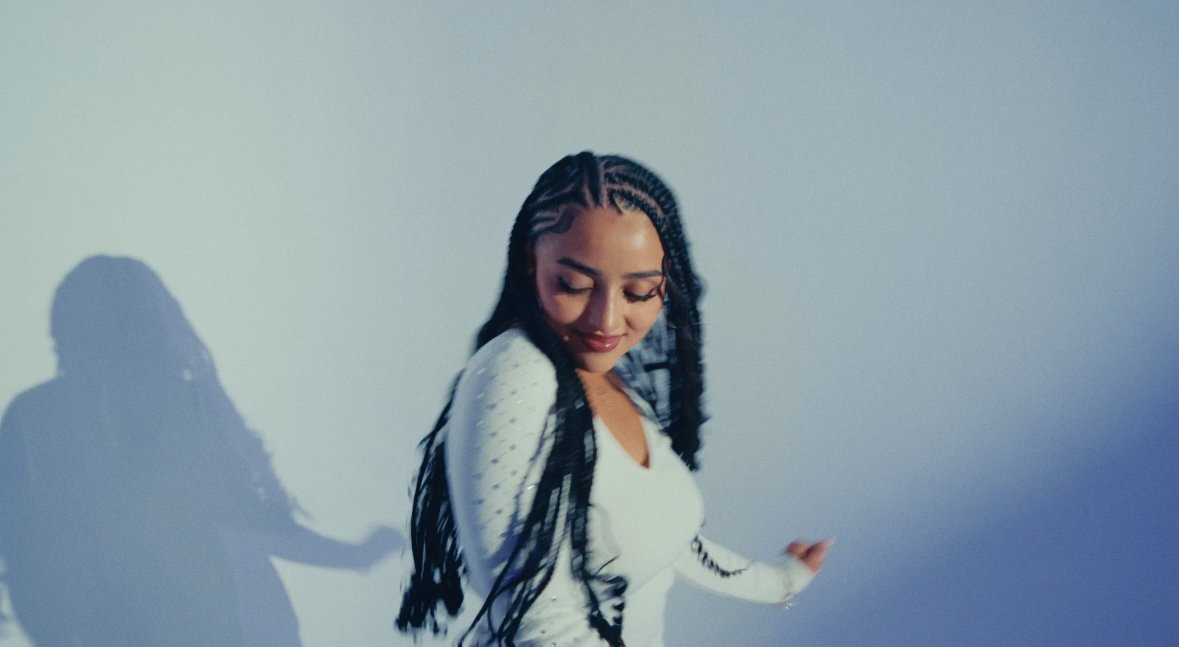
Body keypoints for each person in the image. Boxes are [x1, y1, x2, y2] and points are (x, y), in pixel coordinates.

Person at [397, 152, 831, 646]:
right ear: (528, 261)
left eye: (639, 291)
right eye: (574, 285)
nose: (605, 321)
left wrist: (782, 579)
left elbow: (666, 540)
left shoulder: (607, 379)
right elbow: (537, 617)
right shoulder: (514, 376)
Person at [0, 255, 399, 646]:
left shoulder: (38, 418)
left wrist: (356, 557)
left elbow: (248, 521)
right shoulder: (165, 408)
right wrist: (355, 557)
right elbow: (254, 522)